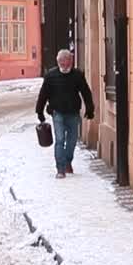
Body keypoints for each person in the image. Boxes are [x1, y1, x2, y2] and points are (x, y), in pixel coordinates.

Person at [36, 49, 94, 178]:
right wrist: (39, 111)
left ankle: (68, 161)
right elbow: (43, 94)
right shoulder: (51, 76)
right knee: (60, 140)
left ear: (71, 62)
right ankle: (60, 169)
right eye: (62, 63)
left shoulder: (77, 75)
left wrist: (90, 109)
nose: (65, 66)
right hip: (58, 113)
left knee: (72, 141)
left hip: (73, 113)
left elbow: (86, 92)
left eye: (68, 63)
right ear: (58, 62)